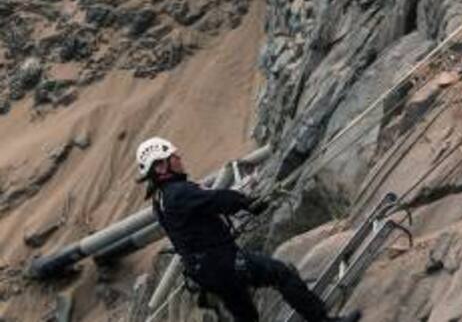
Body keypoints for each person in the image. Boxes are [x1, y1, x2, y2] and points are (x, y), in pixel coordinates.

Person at [136, 138, 360, 322]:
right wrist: (247, 202)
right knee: (281, 274)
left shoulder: (161, 199)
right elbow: (216, 199)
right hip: (222, 263)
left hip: (207, 271)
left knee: (246, 315)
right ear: (161, 166)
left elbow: (202, 209)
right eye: (173, 157)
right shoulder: (177, 193)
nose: (179, 159)